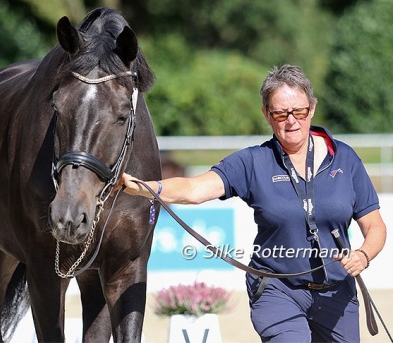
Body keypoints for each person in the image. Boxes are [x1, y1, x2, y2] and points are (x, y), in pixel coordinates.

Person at [117, 64, 387, 342]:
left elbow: (375, 226)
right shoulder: (251, 162)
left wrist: (363, 255)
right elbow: (195, 188)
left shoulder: (345, 158)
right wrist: (143, 187)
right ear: (266, 115)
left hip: (336, 292)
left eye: (300, 111)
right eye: (281, 113)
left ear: (312, 109)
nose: (291, 121)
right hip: (278, 292)